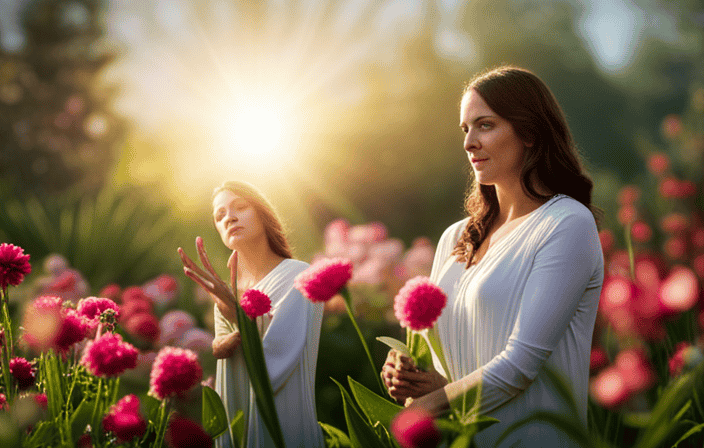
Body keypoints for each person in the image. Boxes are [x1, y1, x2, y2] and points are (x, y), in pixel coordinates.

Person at [381, 66, 604, 447]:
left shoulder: (566, 223)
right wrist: (412, 377)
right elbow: (453, 365)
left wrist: (419, 412)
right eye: (465, 129)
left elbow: (519, 367)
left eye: (485, 125)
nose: (469, 142)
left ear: (530, 132)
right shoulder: (456, 237)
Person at [179, 181, 324, 448]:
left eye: (240, 207)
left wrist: (236, 317)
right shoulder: (227, 291)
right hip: (238, 414)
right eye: (220, 216)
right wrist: (219, 344)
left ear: (263, 213)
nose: (229, 218)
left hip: (283, 419)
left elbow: (279, 354)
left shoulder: (299, 275)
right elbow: (224, 344)